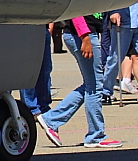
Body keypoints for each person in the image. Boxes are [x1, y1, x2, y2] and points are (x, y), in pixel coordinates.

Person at [36, 15, 121, 148]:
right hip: (82, 35)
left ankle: (51, 119)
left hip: (83, 34)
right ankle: (95, 135)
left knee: (91, 85)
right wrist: (85, 37)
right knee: (95, 85)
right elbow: (77, 12)